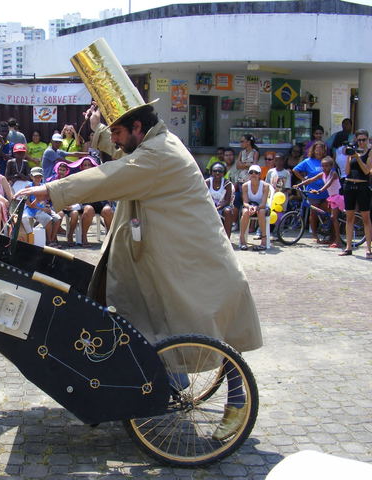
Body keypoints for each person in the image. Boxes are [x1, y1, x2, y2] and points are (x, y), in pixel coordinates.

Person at [19, 98, 261, 440]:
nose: (114, 140)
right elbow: (122, 157)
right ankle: (168, 378)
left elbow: (109, 175)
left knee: (218, 334)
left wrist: (50, 190)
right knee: (161, 319)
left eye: (118, 131)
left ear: (137, 128)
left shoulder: (158, 155)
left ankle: (234, 402)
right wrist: (99, 130)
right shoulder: (154, 143)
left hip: (197, 265)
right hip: (176, 260)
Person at [295, 156, 344, 249]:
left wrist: (319, 191)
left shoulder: (333, 174)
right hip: (331, 198)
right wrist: (299, 184)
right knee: (329, 216)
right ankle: (331, 237)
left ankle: (338, 241)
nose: (324, 168)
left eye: (326, 166)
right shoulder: (322, 174)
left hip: (337, 198)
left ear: (331, 166)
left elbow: (328, 184)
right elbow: (310, 180)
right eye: (323, 166)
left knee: (334, 218)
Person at [340, 129, 372, 258]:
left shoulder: (369, 152)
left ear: (368, 140)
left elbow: (366, 171)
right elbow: (347, 171)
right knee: (349, 217)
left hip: (362, 186)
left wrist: (358, 157)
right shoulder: (351, 152)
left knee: (365, 217)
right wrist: (349, 156)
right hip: (349, 184)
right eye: (359, 140)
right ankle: (348, 247)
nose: (361, 142)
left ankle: (368, 248)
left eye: (364, 140)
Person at [293, 141, 330, 243]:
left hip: (326, 191)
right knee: (313, 213)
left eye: (321, 149)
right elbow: (295, 170)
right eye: (317, 149)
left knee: (327, 212)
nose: (318, 151)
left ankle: (328, 233)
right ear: (313, 150)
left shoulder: (327, 161)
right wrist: (303, 180)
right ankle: (314, 234)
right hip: (312, 192)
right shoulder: (308, 161)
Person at [23, 167, 62, 247]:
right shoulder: (28, 187)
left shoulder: (43, 186)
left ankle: (52, 238)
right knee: (48, 219)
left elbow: (47, 199)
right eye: (35, 176)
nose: (38, 178)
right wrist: (42, 208)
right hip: (33, 210)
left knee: (58, 219)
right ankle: (49, 241)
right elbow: (28, 204)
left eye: (39, 176)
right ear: (31, 177)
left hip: (43, 208)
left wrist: (47, 207)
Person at [238, 165, 270, 251]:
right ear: (248, 174)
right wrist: (250, 207)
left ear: (259, 174)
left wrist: (256, 208)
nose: (253, 174)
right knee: (245, 212)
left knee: (261, 212)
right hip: (250, 206)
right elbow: (245, 202)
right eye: (251, 172)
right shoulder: (245, 185)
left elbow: (263, 203)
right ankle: (242, 240)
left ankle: (263, 241)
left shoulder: (265, 186)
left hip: (262, 207)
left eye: (256, 172)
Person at [205, 162, 234, 238]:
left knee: (228, 211)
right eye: (215, 171)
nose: (217, 173)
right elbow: (204, 198)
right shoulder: (207, 182)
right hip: (209, 205)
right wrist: (212, 207)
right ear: (211, 172)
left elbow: (227, 200)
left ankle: (227, 239)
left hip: (222, 206)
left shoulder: (227, 183)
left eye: (220, 171)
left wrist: (218, 208)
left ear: (223, 173)